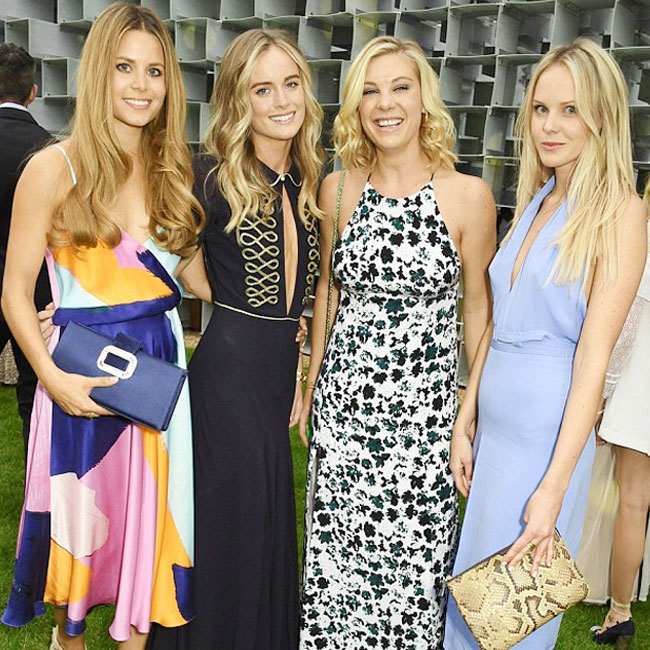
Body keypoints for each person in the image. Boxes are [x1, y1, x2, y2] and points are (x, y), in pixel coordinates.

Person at [0, 4, 206, 649]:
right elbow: (13, 292)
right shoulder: (52, 168)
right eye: (124, 67)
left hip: (157, 387)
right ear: (97, 73)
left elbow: (189, 278)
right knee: (78, 569)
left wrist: (275, 311)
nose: (141, 85)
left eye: (154, 71)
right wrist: (51, 377)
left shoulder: (175, 172)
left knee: (145, 564)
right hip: (79, 387)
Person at [444, 38, 647, 650]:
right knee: (471, 607)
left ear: (602, 117)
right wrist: (466, 414)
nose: (550, 126)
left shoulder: (620, 212)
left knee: (509, 622)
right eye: (541, 108)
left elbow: (594, 358)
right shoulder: (537, 199)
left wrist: (553, 488)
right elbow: (498, 322)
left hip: (545, 440)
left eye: (570, 110)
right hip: (496, 435)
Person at [298, 35, 495, 649]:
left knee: (413, 585)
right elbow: (328, 292)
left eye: (400, 88)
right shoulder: (337, 190)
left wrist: (471, 410)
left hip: (424, 425)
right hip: (345, 415)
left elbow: (479, 312)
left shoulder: (468, 196)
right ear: (356, 107)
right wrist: (311, 386)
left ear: (424, 99)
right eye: (370, 91)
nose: (385, 104)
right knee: (335, 580)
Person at [146, 29, 323, 650]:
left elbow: (300, 290)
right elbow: (163, 254)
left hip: (274, 372)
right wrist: (225, 297)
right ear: (238, 100)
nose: (282, 101)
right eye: (262, 89)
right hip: (227, 375)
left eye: (291, 84)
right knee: (230, 525)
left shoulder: (308, 179)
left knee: (264, 519)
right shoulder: (211, 177)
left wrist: (298, 365)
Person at [577, 182, 650, 648]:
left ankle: (620, 613)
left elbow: (627, 321)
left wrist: (600, 395)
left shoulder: (640, 232)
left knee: (633, 503)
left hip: (640, 390)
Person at [0, 42, 51, 454]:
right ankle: (39, 481)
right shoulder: (51, 149)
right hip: (36, 287)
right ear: (32, 92)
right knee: (35, 389)